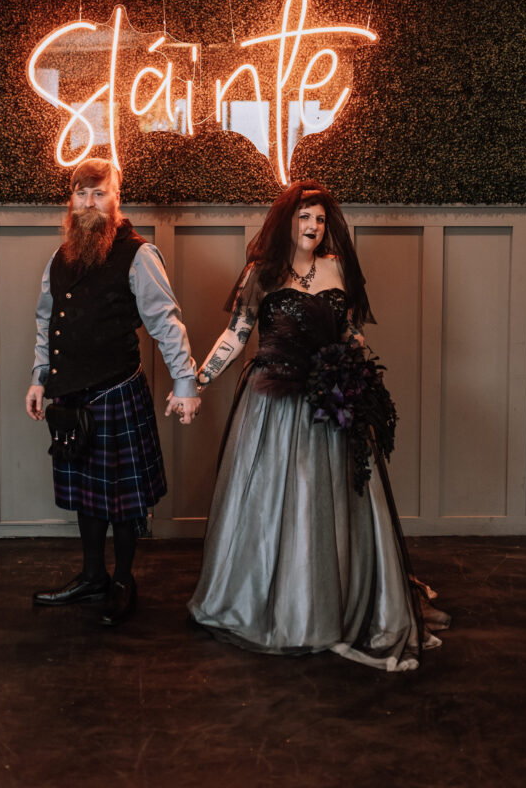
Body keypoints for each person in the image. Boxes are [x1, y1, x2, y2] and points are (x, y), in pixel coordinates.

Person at [187, 180, 449, 671]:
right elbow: (236, 335)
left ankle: (333, 602)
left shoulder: (337, 268)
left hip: (332, 402)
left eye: (321, 219)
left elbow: (351, 333)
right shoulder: (259, 274)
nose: (313, 226)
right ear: (286, 220)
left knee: (330, 501)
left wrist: (364, 381)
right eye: (305, 216)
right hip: (275, 404)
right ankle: (280, 603)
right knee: (279, 500)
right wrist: (196, 381)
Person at [25, 157, 199, 627]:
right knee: (85, 493)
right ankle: (91, 576)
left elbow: (166, 323)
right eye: (81, 193)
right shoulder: (60, 259)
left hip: (115, 393)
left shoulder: (139, 254)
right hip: (68, 397)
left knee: (121, 498)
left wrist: (186, 383)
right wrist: (40, 377)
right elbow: (47, 322)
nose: (89, 203)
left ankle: (123, 579)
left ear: (116, 198)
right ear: (71, 200)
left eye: (99, 193)